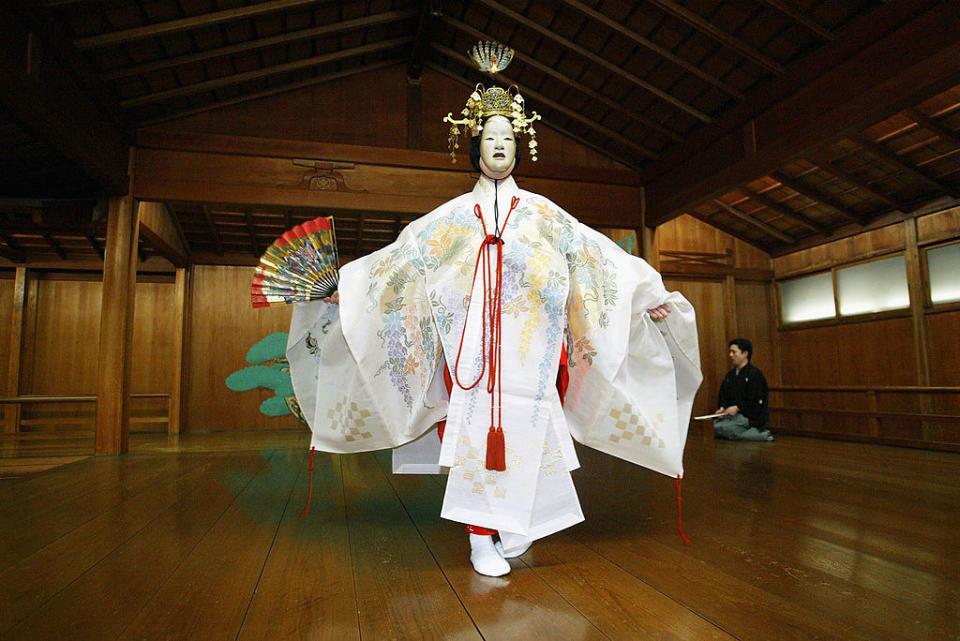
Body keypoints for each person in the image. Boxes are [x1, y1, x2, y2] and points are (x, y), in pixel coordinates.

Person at [286, 80, 701, 577]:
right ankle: (479, 537)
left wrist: (647, 293)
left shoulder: (546, 215)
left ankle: (516, 522)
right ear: (474, 147)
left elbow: (598, 257)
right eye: (488, 138)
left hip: (531, 354)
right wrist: (348, 289)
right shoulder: (451, 218)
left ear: (520, 146)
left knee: (534, 432)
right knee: (474, 442)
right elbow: (401, 261)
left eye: (507, 137)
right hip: (471, 355)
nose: (499, 145)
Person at [714, 338, 773, 441]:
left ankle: (760, 435)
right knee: (713, 427)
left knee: (724, 428)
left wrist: (737, 408)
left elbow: (755, 400)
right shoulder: (730, 375)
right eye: (730, 352)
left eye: (734, 352)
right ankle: (752, 434)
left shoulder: (754, 374)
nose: (730, 355)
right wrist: (722, 408)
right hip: (733, 417)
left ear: (745, 353)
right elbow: (723, 394)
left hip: (748, 417)